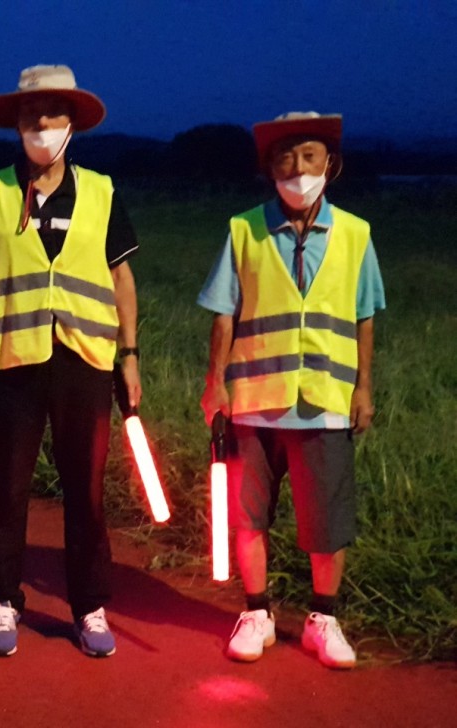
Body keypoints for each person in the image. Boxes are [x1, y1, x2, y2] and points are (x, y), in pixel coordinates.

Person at [0, 65, 140, 658]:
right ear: (16, 124)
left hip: (85, 361)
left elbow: (122, 278)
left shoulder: (102, 192)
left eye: (53, 115)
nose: (41, 125)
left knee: (85, 492)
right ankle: (3, 599)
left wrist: (130, 356)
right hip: (13, 360)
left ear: (72, 124)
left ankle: (89, 606)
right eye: (31, 116)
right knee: (7, 490)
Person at [198, 112, 385, 669]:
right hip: (254, 400)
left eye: (309, 157)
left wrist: (363, 388)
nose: (298, 170)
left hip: (325, 401)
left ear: (331, 164)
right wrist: (215, 384)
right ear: (269, 169)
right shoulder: (243, 230)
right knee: (248, 516)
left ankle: (323, 618)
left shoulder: (355, 234)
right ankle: (256, 612)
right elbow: (223, 315)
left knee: (327, 523)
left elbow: (365, 316)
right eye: (285, 159)